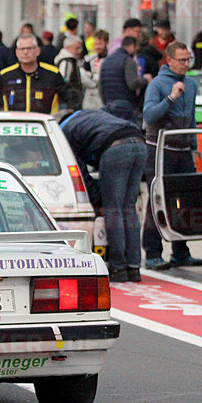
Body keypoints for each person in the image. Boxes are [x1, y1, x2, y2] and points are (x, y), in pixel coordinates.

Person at [61, 107, 148, 282]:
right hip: (139, 142)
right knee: (128, 208)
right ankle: (133, 266)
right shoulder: (89, 115)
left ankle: (118, 267)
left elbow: (79, 172)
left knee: (113, 209)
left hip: (115, 149)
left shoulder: (63, 132)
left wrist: (96, 197)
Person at [142, 41, 202, 270]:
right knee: (157, 201)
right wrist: (170, 98)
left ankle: (180, 251)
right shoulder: (158, 85)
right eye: (181, 60)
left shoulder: (191, 84)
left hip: (182, 151)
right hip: (159, 151)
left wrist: (195, 147)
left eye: (188, 60)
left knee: (183, 202)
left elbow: (192, 118)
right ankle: (152, 252)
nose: (186, 64)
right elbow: (149, 115)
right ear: (169, 60)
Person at [0, 32, 67, 114]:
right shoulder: (6, 75)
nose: (25, 52)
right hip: (14, 125)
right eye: (22, 49)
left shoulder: (52, 74)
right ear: (17, 52)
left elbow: (70, 99)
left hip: (43, 125)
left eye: (29, 48)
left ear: (37, 51)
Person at [99, 36, 148, 119]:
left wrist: (106, 102)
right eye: (136, 49)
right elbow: (132, 84)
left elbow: (100, 86)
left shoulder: (106, 61)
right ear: (132, 46)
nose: (136, 52)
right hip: (126, 106)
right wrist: (145, 80)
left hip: (109, 106)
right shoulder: (128, 60)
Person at [54, 35, 85, 111]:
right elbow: (63, 80)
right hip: (68, 102)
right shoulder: (67, 61)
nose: (79, 51)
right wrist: (71, 96)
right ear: (68, 48)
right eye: (77, 48)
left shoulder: (69, 60)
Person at [81, 29, 108, 109]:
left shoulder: (109, 60)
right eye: (95, 44)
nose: (97, 47)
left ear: (106, 43)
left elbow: (103, 78)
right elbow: (83, 77)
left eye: (100, 44)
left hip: (103, 98)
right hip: (89, 98)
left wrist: (91, 76)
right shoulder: (88, 60)